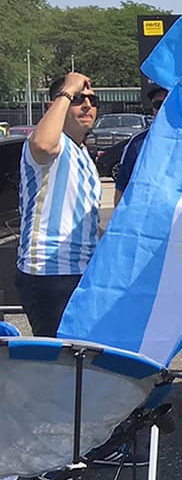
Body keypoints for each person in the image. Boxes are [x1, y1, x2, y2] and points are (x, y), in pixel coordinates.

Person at [113, 86, 182, 378]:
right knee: (145, 301)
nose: (161, 109)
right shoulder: (137, 145)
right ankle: (145, 360)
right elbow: (121, 195)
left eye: (168, 103)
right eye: (156, 104)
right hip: (145, 238)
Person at [16, 72, 102, 337]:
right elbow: (43, 144)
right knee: (60, 365)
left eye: (92, 99)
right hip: (49, 272)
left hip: (80, 271)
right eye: (77, 99)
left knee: (81, 365)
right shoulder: (52, 143)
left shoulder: (83, 153)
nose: (87, 105)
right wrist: (65, 91)